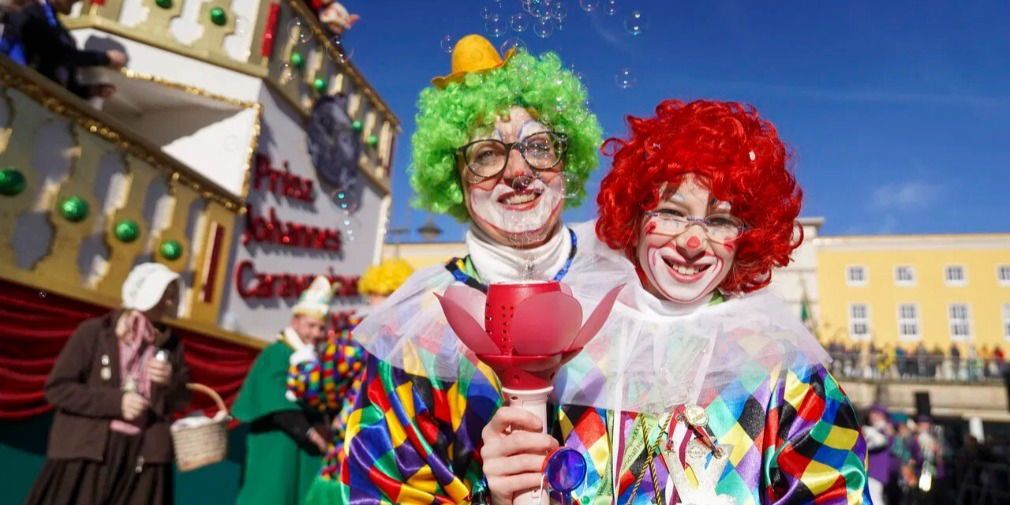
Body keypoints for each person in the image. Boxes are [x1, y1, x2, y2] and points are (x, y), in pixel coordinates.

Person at [483, 99, 868, 503]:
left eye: (719, 221)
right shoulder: (569, 352)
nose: (692, 241)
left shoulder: (790, 374)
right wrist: (501, 491)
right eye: (671, 212)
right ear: (633, 218)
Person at [329, 34, 603, 503]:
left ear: (568, 158)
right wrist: (488, 498)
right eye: (486, 155)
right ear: (455, 179)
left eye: (539, 146)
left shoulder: (625, 277)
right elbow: (377, 490)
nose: (518, 171)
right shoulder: (413, 324)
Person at [26, 262, 190, 505]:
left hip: (142, 459)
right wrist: (116, 401)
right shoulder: (95, 333)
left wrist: (170, 381)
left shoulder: (171, 345)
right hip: (89, 455)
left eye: (172, 296)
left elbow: (181, 399)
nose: (168, 303)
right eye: (164, 295)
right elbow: (58, 389)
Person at [289, 259, 415, 505]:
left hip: (353, 448)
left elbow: (319, 386)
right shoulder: (416, 339)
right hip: (396, 455)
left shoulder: (362, 333)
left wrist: (301, 367)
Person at [232, 276, 336, 505]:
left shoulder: (319, 359)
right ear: (295, 322)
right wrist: (309, 432)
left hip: (306, 454)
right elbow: (275, 403)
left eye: (321, 327)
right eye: (311, 325)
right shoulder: (276, 354)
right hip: (277, 448)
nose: (316, 333)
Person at [7, 0, 126, 99]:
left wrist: (91, 91)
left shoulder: (64, 34)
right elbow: (55, 53)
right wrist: (104, 58)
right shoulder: (28, 13)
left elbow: (63, 79)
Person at [864, 405, 898, 504]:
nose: (872, 416)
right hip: (871, 472)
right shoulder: (874, 429)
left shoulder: (884, 429)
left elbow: (881, 442)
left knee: (874, 499)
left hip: (876, 472)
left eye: (875, 414)